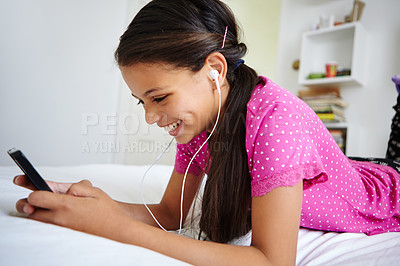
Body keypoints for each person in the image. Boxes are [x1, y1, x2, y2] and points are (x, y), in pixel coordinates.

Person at [13, 0, 400, 264]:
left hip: (387, 195)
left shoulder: (277, 121)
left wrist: (116, 229)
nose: (150, 118)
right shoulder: (201, 123)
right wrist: (98, 203)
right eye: (141, 102)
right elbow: (170, 213)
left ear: (214, 69)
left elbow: (272, 260)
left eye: (159, 97)